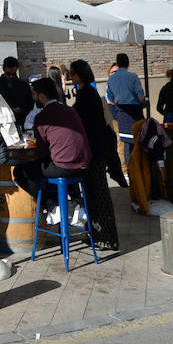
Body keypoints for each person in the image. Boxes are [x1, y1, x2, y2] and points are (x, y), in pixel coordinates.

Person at [67, 60, 121, 249]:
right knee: (92, 193)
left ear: (80, 75)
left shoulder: (87, 94)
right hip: (93, 150)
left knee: (98, 194)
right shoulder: (85, 93)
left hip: (95, 151)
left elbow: (87, 123)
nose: (70, 76)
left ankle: (106, 237)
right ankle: (96, 234)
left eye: (72, 73)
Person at [15, 78, 92, 204]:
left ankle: (51, 207)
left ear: (42, 96)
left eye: (34, 94)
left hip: (66, 166)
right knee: (57, 163)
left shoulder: (42, 117)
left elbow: (43, 152)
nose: (33, 98)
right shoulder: (70, 110)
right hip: (84, 164)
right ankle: (78, 205)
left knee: (20, 171)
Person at [105, 53, 147, 166]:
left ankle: (130, 170)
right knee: (139, 141)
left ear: (118, 63)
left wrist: (116, 113)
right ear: (128, 63)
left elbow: (110, 99)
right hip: (135, 111)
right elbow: (141, 97)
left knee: (126, 144)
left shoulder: (111, 79)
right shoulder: (133, 76)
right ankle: (140, 169)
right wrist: (143, 104)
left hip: (121, 112)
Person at [0, 56, 34, 124]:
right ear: (4, 69)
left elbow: (30, 103)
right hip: (2, 120)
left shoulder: (24, 85)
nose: (11, 76)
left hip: (20, 120)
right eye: (8, 74)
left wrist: (20, 109)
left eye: (14, 74)